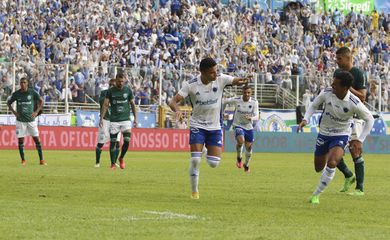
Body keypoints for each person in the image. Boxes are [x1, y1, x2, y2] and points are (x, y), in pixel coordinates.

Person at [169, 57, 252, 199]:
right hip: (197, 125)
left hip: (215, 126)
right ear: (203, 72)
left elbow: (236, 80)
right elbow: (173, 101)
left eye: (216, 71)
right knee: (195, 159)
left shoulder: (220, 79)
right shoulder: (191, 85)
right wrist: (177, 110)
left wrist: (244, 79)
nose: (215, 74)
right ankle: (194, 191)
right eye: (212, 72)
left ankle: (205, 149)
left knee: (214, 163)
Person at [297, 71, 374, 204]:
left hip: (341, 134)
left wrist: (359, 140)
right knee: (318, 167)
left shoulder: (353, 102)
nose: (332, 85)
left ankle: (316, 195)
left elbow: (370, 119)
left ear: (345, 88)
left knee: (332, 162)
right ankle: (346, 175)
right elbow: (314, 105)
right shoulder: (327, 92)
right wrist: (305, 119)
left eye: (335, 84)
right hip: (324, 133)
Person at [334, 47, 368, 196]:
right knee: (333, 152)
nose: (337, 61)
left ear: (348, 58)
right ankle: (349, 175)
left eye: (339, 58)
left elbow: (362, 97)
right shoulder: (337, 74)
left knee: (354, 150)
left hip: (355, 117)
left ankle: (359, 188)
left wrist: (348, 88)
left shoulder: (358, 74)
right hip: (339, 116)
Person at [99, 73, 138, 170]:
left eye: (122, 81)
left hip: (125, 119)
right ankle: (112, 164)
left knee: (127, 141)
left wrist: (136, 118)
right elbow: (105, 105)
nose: (121, 83)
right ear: (116, 80)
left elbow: (133, 105)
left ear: (124, 80)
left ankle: (121, 157)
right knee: (113, 142)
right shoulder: (110, 91)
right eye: (119, 81)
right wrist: (101, 118)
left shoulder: (128, 90)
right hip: (114, 120)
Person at [7, 77, 46, 165]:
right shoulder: (16, 94)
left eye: (24, 82)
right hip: (20, 121)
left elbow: (41, 101)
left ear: (27, 83)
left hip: (31, 120)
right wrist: (14, 112)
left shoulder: (32, 92)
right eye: (21, 83)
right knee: (21, 141)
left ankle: (42, 160)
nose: (22, 84)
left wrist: (36, 112)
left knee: (37, 139)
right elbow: (8, 103)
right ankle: (23, 160)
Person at [223, 85, 259, 172]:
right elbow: (224, 102)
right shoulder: (237, 99)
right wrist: (223, 113)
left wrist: (251, 118)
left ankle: (246, 164)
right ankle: (239, 158)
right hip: (238, 125)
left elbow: (257, 115)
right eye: (245, 92)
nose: (246, 94)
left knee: (249, 148)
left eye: (248, 93)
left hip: (249, 127)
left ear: (251, 93)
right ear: (242, 92)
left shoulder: (254, 102)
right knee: (240, 141)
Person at [95, 79, 120, 168]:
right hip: (105, 120)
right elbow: (102, 103)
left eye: (114, 85)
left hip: (115, 120)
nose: (112, 86)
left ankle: (114, 162)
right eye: (111, 85)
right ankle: (97, 162)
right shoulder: (104, 93)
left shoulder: (118, 94)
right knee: (101, 142)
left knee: (117, 142)